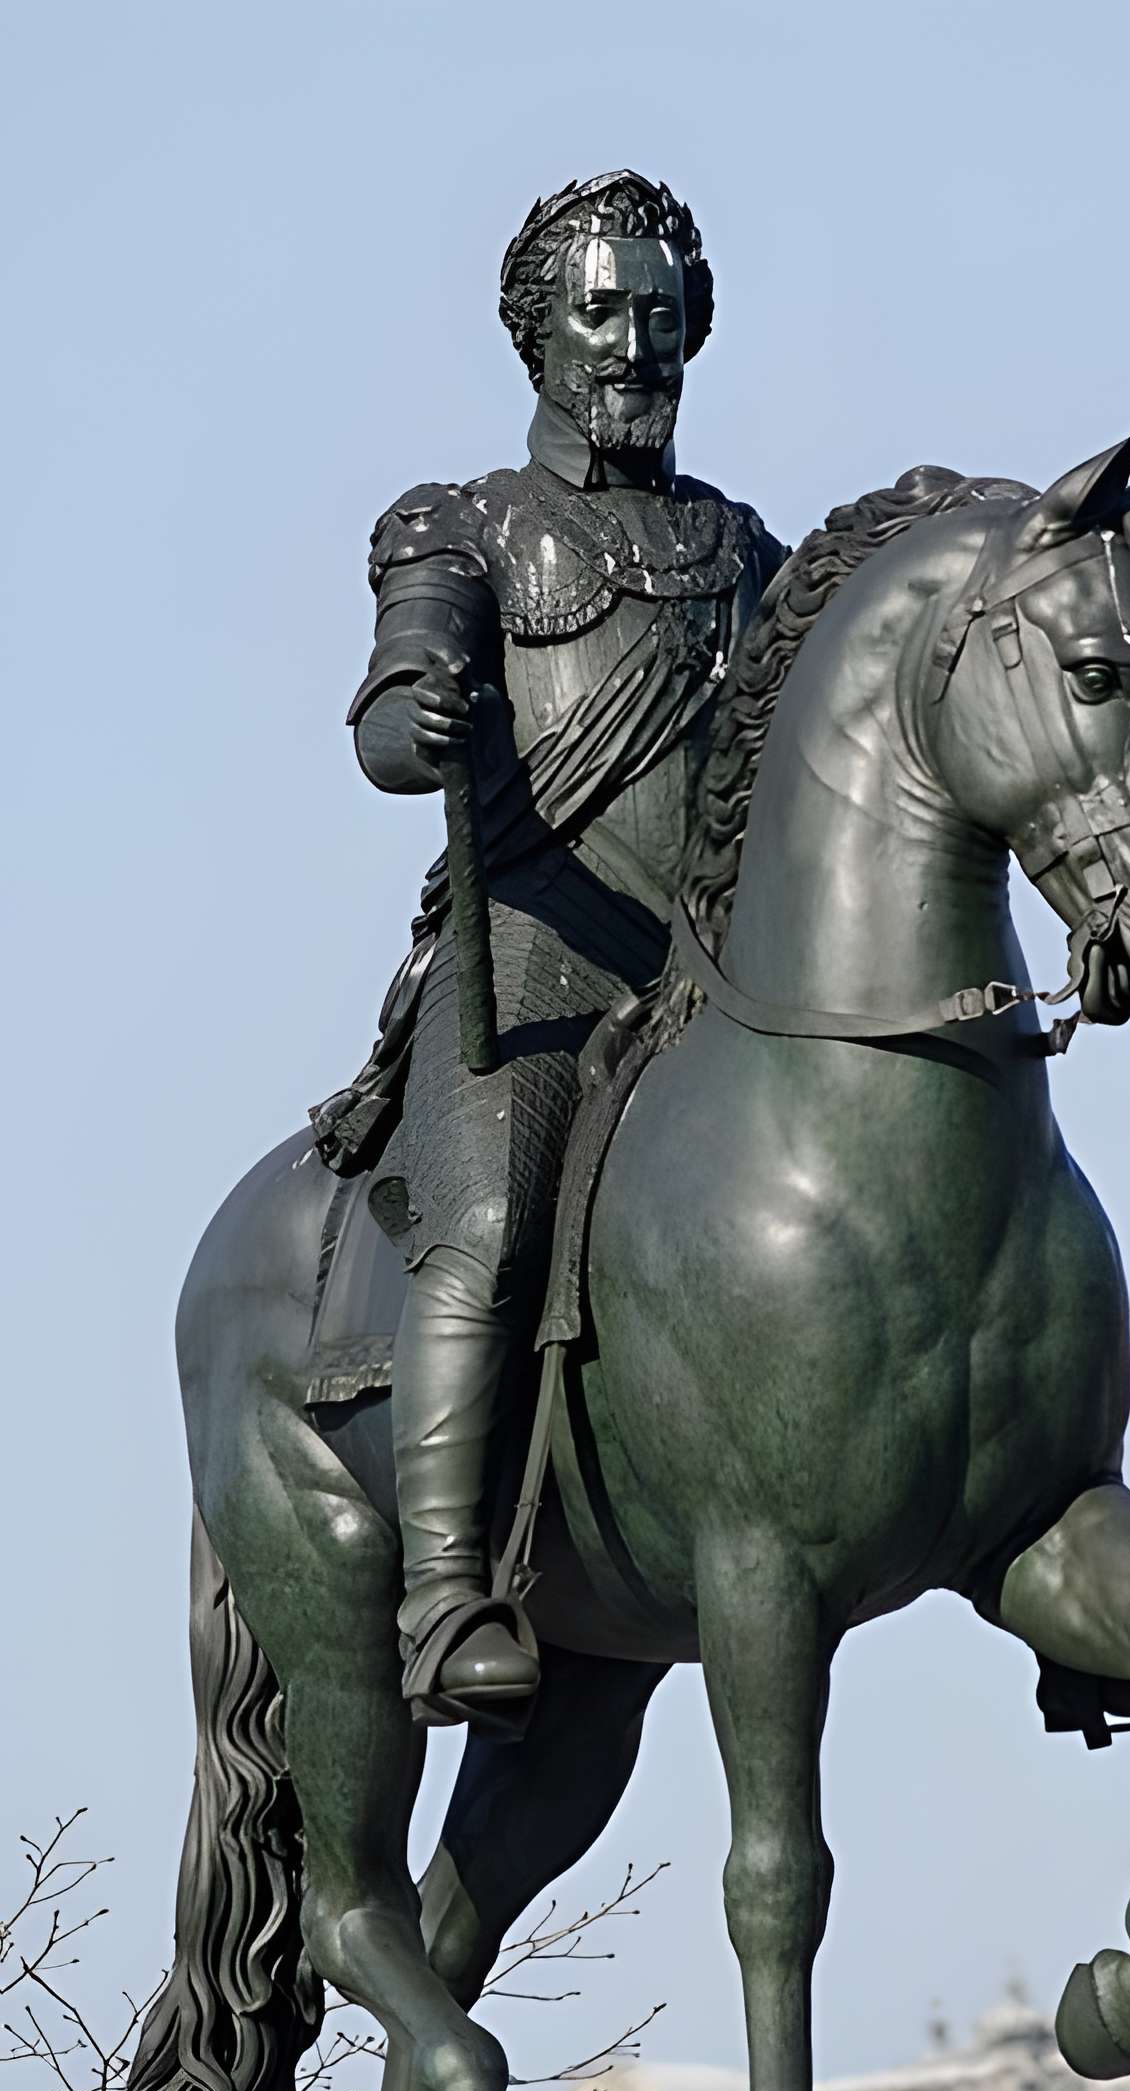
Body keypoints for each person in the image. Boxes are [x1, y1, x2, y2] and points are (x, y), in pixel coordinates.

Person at [311, 171, 785, 1729]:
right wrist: (411, 718)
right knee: (500, 1209)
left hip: (711, 991)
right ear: (539, 334)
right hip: (530, 967)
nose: (635, 346)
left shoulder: (743, 552)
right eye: (602, 311)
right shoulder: (464, 525)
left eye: (663, 316)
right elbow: (396, 700)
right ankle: (447, 1594)